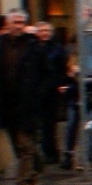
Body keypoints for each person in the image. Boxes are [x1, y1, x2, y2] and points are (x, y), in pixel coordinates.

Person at [0, 8, 48, 185]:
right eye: (14, 22)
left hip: (28, 104)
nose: (18, 26)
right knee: (18, 144)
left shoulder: (35, 47)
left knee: (25, 143)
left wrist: (40, 95)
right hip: (6, 104)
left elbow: (48, 74)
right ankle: (36, 166)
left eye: (21, 22)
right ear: (8, 24)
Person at [35, 21, 69, 166]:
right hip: (37, 90)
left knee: (50, 124)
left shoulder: (57, 49)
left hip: (52, 90)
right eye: (41, 30)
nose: (44, 33)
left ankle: (52, 152)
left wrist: (62, 83)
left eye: (47, 30)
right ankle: (45, 151)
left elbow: (62, 68)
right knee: (40, 124)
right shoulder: (34, 49)